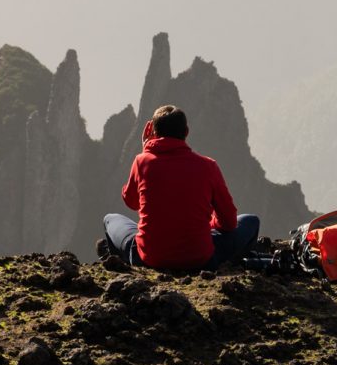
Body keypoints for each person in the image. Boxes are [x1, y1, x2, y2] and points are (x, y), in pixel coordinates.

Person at [99, 104, 260, 271]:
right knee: (250, 221)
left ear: (154, 132)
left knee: (110, 219)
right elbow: (229, 222)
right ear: (186, 132)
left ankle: (122, 270)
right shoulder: (208, 166)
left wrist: (146, 151)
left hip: (150, 258)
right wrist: (208, 225)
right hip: (200, 260)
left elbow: (132, 202)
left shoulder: (142, 162)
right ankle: (237, 265)